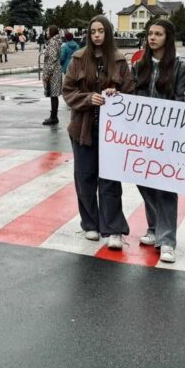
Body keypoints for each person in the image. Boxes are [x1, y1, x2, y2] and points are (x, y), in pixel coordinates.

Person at [62, 15, 135, 249]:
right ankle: (90, 224)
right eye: (93, 31)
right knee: (84, 178)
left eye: (101, 31)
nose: (96, 35)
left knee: (110, 180)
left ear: (108, 33)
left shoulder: (119, 60)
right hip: (82, 129)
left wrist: (117, 94)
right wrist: (87, 99)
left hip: (111, 133)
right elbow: (68, 91)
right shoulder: (78, 58)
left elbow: (130, 92)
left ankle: (113, 229)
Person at [131, 19, 185, 263]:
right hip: (142, 135)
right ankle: (154, 228)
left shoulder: (179, 67)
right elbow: (131, 94)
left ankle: (167, 240)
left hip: (167, 136)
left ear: (168, 38)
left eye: (158, 34)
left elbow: (181, 98)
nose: (152, 38)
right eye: (150, 33)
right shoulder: (139, 66)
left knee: (165, 187)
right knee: (143, 180)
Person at [41, 25, 63, 125]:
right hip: (55, 72)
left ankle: (53, 117)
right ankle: (53, 116)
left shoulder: (53, 43)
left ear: (52, 32)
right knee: (53, 95)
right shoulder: (55, 41)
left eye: (48, 31)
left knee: (53, 95)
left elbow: (51, 60)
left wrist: (47, 75)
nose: (46, 33)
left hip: (53, 73)